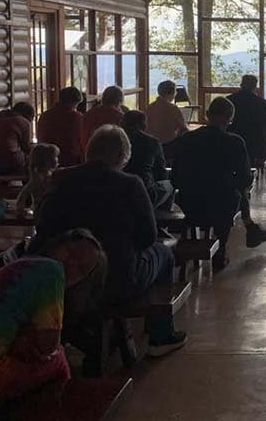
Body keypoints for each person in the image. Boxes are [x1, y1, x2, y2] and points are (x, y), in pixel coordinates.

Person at [30, 125, 187, 357]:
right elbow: (148, 237)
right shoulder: (130, 183)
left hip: (67, 278)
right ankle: (160, 335)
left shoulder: (59, 179)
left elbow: (43, 227)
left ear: (89, 151)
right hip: (117, 279)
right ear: (121, 157)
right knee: (164, 254)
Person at [0, 229, 105, 419]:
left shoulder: (20, 267)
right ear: (56, 245)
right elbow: (47, 346)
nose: (73, 264)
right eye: (72, 252)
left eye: (82, 269)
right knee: (59, 361)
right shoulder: (51, 271)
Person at [172, 98, 266, 270]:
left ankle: (250, 230)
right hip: (222, 204)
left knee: (226, 189)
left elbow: (175, 178)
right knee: (233, 191)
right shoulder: (234, 142)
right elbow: (246, 178)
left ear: (207, 115)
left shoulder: (186, 140)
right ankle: (224, 248)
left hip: (190, 202)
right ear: (230, 119)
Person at [227, 75, 266, 187]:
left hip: (231, 144)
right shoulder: (261, 102)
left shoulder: (229, 101)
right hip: (257, 147)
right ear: (255, 87)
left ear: (241, 85)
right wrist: (264, 139)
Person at [121, 110, 174, 213]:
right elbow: (161, 173)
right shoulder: (152, 142)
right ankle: (163, 219)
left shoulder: (116, 139)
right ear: (143, 125)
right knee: (171, 182)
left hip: (118, 193)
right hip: (146, 194)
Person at [37, 87, 84, 167]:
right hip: (70, 160)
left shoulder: (45, 115)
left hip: (46, 160)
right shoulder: (76, 117)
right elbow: (81, 140)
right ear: (73, 103)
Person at [15, 144, 59, 220]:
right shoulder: (39, 179)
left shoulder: (53, 175)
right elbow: (24, 194)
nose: (57, 159)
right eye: (55, 157)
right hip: (42, 213)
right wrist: (20, 209)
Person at [146, 80, 188, 145]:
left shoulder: (149, 107)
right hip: (169, 144)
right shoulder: (173, 108)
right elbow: (183, 129)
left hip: (151, 143)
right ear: (172, 93)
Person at [82, 86, 124, 150]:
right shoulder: (119, 116)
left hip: (88, 153)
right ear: (119, 101)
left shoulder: (88, 114)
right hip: (110, 155)